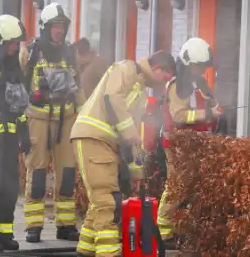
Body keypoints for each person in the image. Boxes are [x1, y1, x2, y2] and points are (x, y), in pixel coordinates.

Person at [70, 50, 175, 257]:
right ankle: (108, 252)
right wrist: (129, 133)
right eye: (165, 78)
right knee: (106, 199)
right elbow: (112, 98)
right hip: (93, 137)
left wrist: (137, 173)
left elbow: (133, 135)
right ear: (157, 68)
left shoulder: (141, 92)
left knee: (100, 199)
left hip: (106, 142)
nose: (164, 84)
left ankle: (87, 248)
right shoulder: (126, 68)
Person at [19, 2, 85, 243]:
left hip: (65, 117)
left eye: (62, 26)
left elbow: (77, 84)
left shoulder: (70, 52)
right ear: (45, 28)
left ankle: (65, 225)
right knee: (36, 172)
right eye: (55, 26)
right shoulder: (31, 51)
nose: (60, 30)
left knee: (67, 171)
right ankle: (33, 226)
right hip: (38, 117)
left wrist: (85, 111)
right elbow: (19, 84)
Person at [157, 37, 223, 247]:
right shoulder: (178, 85)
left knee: (192, 188)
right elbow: (179, 115)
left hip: (197, 145)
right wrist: (208, 113)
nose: (201, 70)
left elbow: (208, 106)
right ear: (187, 63)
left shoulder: (200, 84)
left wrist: (217, 110)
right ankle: (163, 231)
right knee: (176, 186)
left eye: (203, 66)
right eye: (198, 66)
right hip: (177, 145)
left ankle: (180, 228)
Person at [0, 14, 29, 251]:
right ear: (1, 40)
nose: (16, 47)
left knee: (9, 186)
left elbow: (19, 104)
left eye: (18, 43)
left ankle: (2, 232)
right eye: (13, 43)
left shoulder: (13, 67)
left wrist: (25, 134)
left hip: (8, 140)